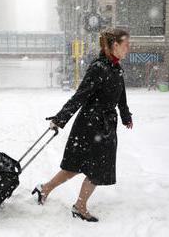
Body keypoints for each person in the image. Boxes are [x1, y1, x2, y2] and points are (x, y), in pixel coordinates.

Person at [31, 28, 133, 222]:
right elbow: (80, 95)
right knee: (80, 167)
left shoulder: (116, 68)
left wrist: (125, 115)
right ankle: (78, 206)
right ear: (115, 46)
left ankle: (46, 189)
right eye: (126, 45)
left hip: (105, 126)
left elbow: (121, 96)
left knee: (93, 168)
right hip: (89, 125)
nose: (128, 48)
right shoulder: (98, 68)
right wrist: (61, 119)